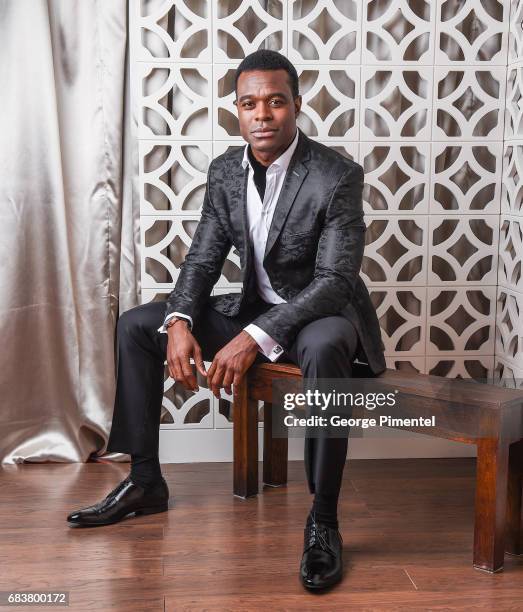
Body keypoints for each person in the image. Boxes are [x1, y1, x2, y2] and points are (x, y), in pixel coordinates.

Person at [67, 50, 386, 591]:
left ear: (296, 107)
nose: (263, 114)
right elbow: (202, 259)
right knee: (137, 326)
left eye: (275, 102)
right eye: (249, 103)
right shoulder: (224, 173)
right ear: (237, 112)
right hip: (252, 307)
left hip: (319, 312)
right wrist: (180, 320)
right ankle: (145, 480)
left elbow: (334, 280)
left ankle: (324, 521)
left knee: (329, 344)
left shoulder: (336, 175)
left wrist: (253, 338)